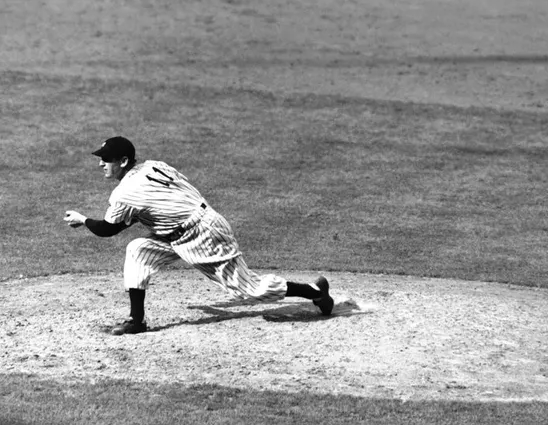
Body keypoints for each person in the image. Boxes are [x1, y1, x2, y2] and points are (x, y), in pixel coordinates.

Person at [64, 136, 358, 335]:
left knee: (250, 289)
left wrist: (82, 219)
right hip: (183, 230)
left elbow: (108, 228)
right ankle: (136, 321)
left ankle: (315, 292)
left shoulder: (125, 192)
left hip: (202, 235)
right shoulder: (155, 165)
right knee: (138, 250)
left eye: (107, 159)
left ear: (124, 161)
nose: (101, 163)